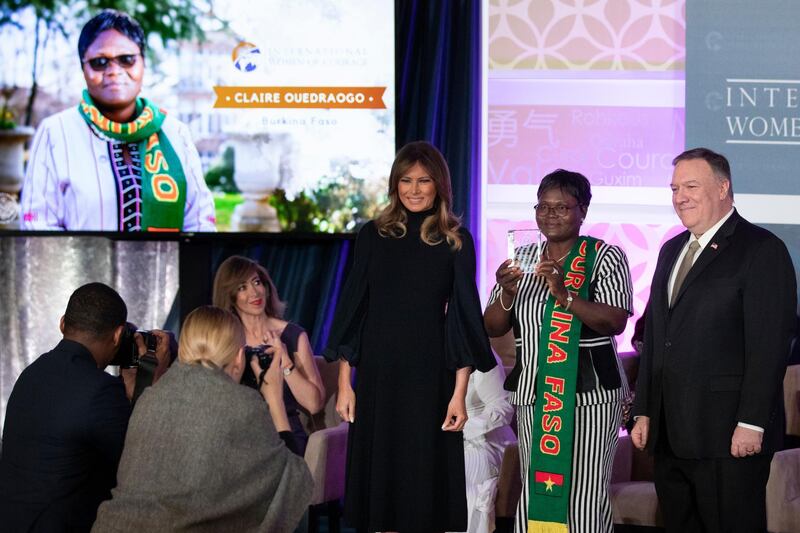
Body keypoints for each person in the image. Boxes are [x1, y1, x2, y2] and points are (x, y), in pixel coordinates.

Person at [324, 141, 496, 532]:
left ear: (440, 186)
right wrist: (345, 384)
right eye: (406, 180)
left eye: (424, 181)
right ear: (394, 184)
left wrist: (458, 393)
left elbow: (464, 321)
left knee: (424, 485)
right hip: (378, 376)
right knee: (380, 486)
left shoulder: (456, 240)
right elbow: (354, 310)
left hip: (429, 378)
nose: (415, 189)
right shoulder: (372, 235)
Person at [630, 148, 797, 532]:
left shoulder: (760, 249)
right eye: (674, 188)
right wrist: (645, 409)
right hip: (671, 434)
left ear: (723, 188)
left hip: (727, 435)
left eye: (690, 186)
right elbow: (657, 337)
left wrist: (752, 422)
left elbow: (770, 344)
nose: (679, 197)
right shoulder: (671, 249)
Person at [484, 169, 633, 533]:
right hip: (535, 396)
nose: (550, 215)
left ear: (583, 210)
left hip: (592, 397)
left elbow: (614, 322)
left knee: (583, 493)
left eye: (562, 207)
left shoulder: (606, 257)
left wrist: (565, 294)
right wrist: (506, 292)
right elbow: (492, 327)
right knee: (539, 489)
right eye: (543, 206)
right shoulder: (521, 258)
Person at [92, 305, 313, 532]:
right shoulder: (242, 403)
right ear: (239, 356)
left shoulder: (150, 398)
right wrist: (274, 398)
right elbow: (294, 482)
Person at [20, 9, 216, 232]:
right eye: (100, 62)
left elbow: (200, 223)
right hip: (80, 267)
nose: (114, 71)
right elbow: (37, 226)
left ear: (143, 63)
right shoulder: (55, 132)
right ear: (83, 68)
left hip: (166, 266)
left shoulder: (174, 133)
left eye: (127, 60)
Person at [0, 282, 170, 532]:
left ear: (62, 324)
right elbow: (141, 466)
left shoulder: (31, 373)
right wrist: (151, 381)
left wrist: (129, 390)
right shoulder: (100, 390)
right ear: (116, 335)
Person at [212, 255, 325, 456]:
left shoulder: (293, 335)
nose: (254, 292)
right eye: (242, 287)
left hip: (285, 436)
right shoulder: (225, 339)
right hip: (239, 436)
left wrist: (285, 361)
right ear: (230, 296)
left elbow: (314, 404)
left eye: (256, 282)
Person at [450, 353, 516, 533]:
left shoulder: (480, 353)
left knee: (460, 482)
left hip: (480, 439)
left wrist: (460, 431)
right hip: (436, 444)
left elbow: (503, 407)